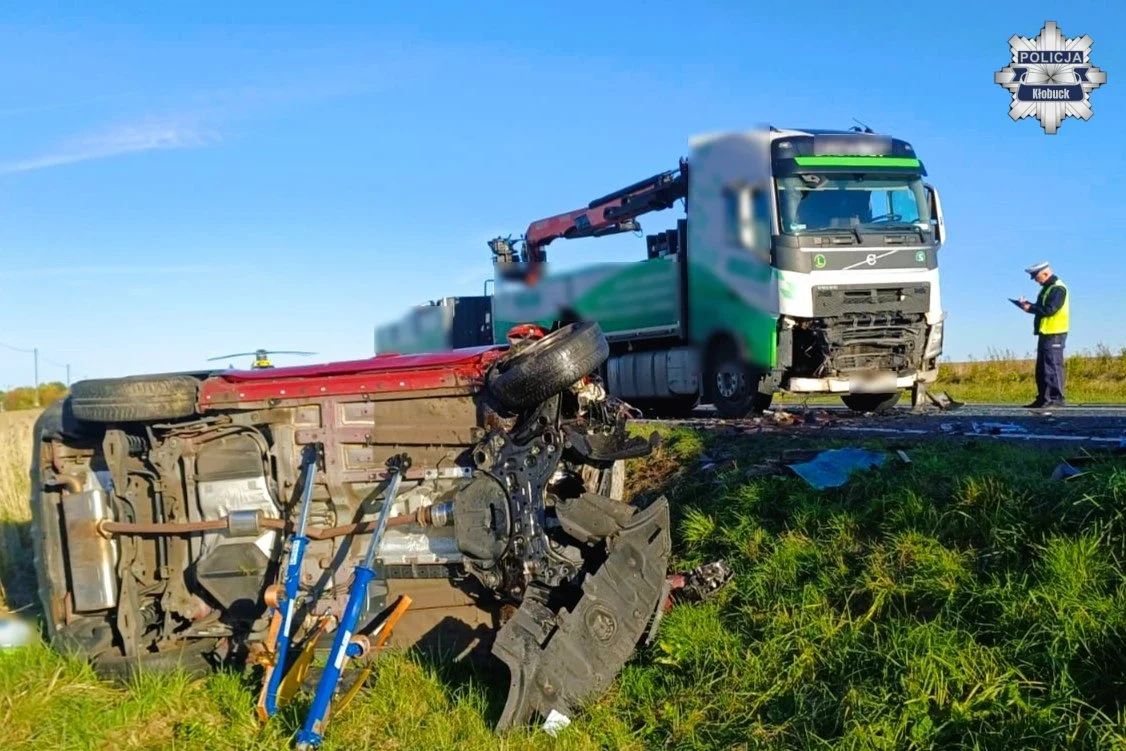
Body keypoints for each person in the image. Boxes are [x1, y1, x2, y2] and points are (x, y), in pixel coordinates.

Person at [1017, 261, 1069, 408]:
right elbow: (1042, 307)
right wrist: (1029, 306)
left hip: (1055, 332)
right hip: (1046, 332)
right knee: (1042, 368)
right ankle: (1043, 398)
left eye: (1036, 277)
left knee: (1052, 366)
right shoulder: (1048, 289)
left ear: (1045, 274)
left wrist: (1030, 308)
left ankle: (1055, 398)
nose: (1035, 280)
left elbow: (1050, 309)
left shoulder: (1058, 288)